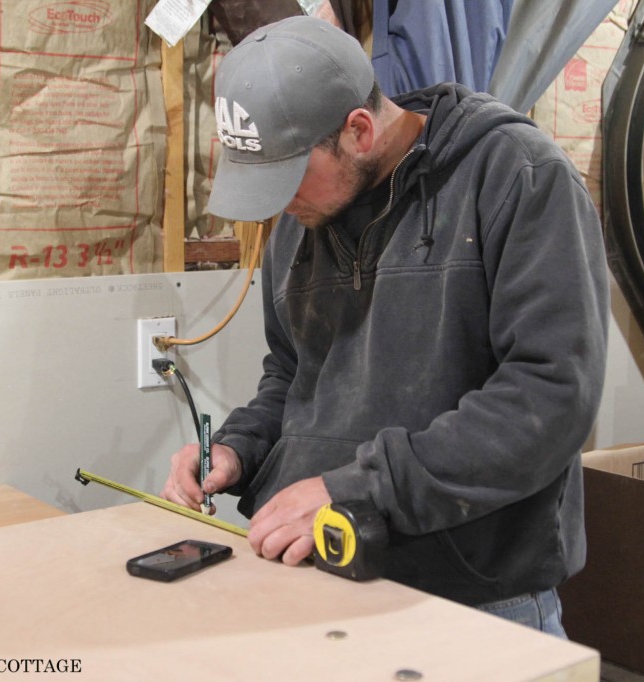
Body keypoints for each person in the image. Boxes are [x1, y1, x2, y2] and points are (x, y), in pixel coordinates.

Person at [160, 15, 608, 637]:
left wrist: (356, 487)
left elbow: (549, 401)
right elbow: (293, 376)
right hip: (321, 581)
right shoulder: (302, 217)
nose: (278, 202)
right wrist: (237, 449)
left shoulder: (517, 177)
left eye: (287, 177)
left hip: (474, 604)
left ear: (359, 130)